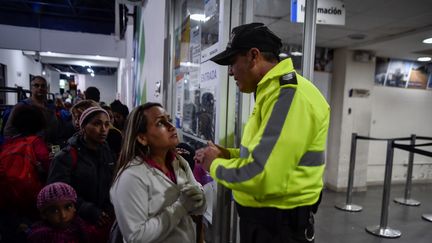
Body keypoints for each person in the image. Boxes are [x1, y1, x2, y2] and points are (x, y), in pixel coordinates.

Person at [194, 22, 330, 243]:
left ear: (253, 56)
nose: (230, 72)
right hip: (269, 224)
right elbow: (266, 155)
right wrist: (228, 154)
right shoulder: (271, 93)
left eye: (232, 62)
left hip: (280, 228)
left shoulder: (289, 97)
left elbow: (262, 175)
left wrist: (214, 164)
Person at [110, 102, 206, 243]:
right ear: (142, 138)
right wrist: (181, 206)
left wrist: (199, 199)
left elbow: (197, 209)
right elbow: (136, 237)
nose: (171, 127)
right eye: (161, 123)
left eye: (170, 120)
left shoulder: (179, 162)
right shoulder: (130, 177)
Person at [47, 106, 116, 242]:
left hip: (103, 223)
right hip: (75, 225)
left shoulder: (107, 152)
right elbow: (57, 193)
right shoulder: (65, 157)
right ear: (83, 126)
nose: (103, 129)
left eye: (107, 124)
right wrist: (88, 210)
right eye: (97, 123)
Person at [28, 182, 96, 243]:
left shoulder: (80, 225)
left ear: (74, 207)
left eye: (68, 207)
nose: (63, 216)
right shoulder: (40, 237)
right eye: (54, 211)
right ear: (44, 214)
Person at [3, 76, 59, 145]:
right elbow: (8, 132)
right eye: (36, 85)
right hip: (28, 151)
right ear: (31, 88)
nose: (40, 88)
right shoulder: (21, 107)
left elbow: (55, 134)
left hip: (47, 150)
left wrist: (54, 150)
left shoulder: (50, 109)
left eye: (43, 86)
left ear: (46, 89)